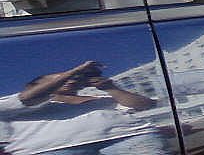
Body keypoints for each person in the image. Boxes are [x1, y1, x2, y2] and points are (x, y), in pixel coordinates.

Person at [0, 61, 168, 154]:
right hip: (52, 149)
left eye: (74, 78)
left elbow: (145, 105)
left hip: (128, 137)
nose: (71, 79)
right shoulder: (12, 104)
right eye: (61, 78)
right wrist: (73, 71)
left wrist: (111, 88)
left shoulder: (101, 99)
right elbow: (29, 98)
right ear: (32, 86)